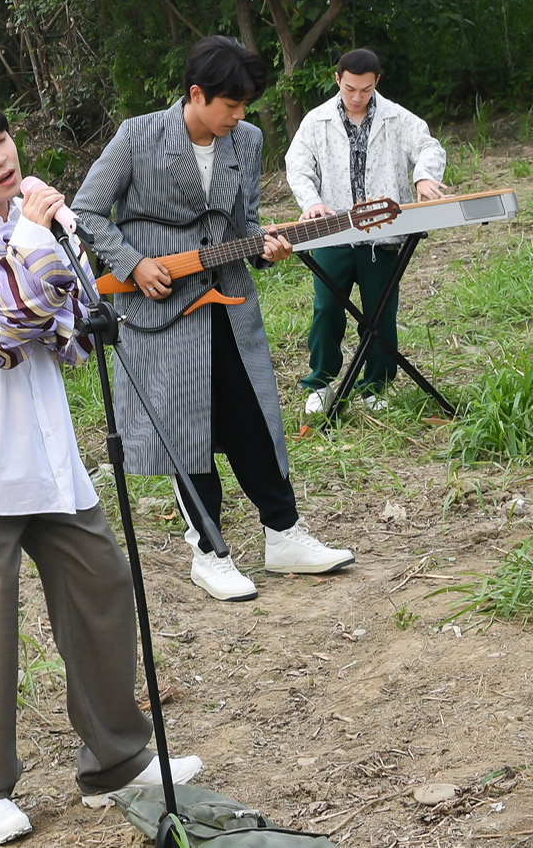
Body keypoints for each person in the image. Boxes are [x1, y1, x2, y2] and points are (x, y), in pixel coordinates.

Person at [0, 91, 200, 845]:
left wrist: (52, 246)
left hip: (46, 450)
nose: (0, 157)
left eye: (1, 138)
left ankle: (115, 759)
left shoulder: (39, 222)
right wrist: (35, 246)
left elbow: (74, 335)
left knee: (100, 584)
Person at [73, 37, 354, 604]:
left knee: (253, 416)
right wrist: (133, 262)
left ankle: (283, 534)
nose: (240, 115)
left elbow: (245, 226)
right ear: (197, 94)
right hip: (160, 307)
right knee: (186, 427)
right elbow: (84, 212)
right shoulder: (138, 136)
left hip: (227, 299)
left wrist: (266, 248)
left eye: (247, 104)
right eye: (232, 104)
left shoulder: (245, 141)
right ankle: (210, 552)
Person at [284, 48, 448, 413]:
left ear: (377, 83)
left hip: (383, 235)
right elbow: (298, 166)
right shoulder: (316, 120)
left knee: (380, 313)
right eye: (350, 89)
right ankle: (321, 383)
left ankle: (375, 385)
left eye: (365, 90)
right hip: (333, 231)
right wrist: (311, 202)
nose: (357, 97)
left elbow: (429, 147)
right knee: (327, 308)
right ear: (338, 79)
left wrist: (423, 177)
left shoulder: (397, 117)